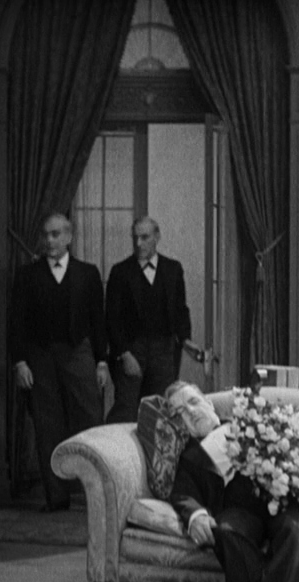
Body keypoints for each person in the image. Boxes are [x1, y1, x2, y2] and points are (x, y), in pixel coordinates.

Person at [165, 381, 299, 582]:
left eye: (192, 402)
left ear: (209, 404)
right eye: (179, 412)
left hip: (283, 496)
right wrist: (196, 515)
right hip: (238, 508)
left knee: (293, 528)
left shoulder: (251, 420)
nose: (189, 412)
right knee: (226, 532)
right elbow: (182, 493)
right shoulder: (189, 457)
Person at [10, 213, 110, 512]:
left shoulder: (88, 274)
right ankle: (56, 497)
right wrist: (20, 362)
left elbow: (98, 320)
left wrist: (102, 362)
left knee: (91, 420)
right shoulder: (27, 275)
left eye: (55, 234)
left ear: (69, 237)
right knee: (47, 424)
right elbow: (16, 322)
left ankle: (97, 495)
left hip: (78, 352)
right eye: (45, 235)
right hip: (40, 356)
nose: (49, 240)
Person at [105, 217, 191, 423]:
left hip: (164, 351)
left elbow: (180, 310)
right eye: (135, 238)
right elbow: (111, 318)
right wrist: (125, 354)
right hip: (132, 349)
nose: (138, 243)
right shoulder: (120, 271)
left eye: (144, 237)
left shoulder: (173, 269)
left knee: (161, 410)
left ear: (157, 237)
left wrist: (186, 339)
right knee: (126, 409)